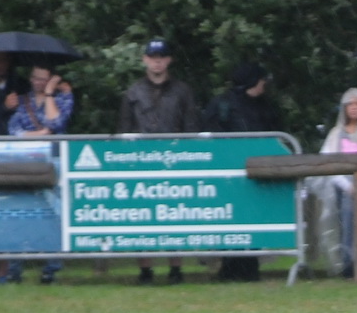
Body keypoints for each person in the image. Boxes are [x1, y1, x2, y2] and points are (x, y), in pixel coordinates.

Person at [117, 38, 200, 284]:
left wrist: (187, 156)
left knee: (175, 214)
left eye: (161, 57)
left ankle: (176, 268)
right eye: (153, 57)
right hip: (141, 160)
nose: (157, 62)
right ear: (145, 59)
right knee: (141, 216)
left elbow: (191, 127)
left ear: (169, 60)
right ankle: (145, 270)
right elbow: (124, 130)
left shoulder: (182, 91)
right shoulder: (133, 92)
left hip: (174, 159)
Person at [204, 62, 280, 282]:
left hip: (255, 174)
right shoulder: (223, 104)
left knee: (252, 220)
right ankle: (229, 268)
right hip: (228, 175)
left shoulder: (265, 106)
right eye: (261, 80)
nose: (264, 84)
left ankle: (249, 266)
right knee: (230, 219)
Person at [2, 65, 75, 286]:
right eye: (35, 78)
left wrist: (50, 93)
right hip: (25, 162)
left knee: (54, 214)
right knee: (19, 213)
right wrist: (40, 133)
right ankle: (14, 268)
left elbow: (57, 123)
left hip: (53, 164)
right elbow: (14, 130)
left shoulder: (63, 98)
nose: (38, 83)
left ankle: (50, 268)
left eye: (44, 79)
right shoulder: (22, 101)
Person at [311, 88, 357, 278]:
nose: (354, 108)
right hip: (343, 187)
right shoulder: (336, 134)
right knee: (346, 222)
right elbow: (327, 161)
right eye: (350, 104)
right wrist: (347, 186)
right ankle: (347, 263)